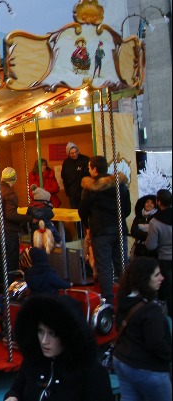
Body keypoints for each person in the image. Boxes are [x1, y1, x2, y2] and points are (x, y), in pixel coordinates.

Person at [4, 295, 113, 401]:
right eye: (41, 331)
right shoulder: (33, 361)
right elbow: (17, 388)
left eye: (53, 334)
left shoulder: (92, 373)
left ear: (68, 335)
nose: (44, 341)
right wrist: (12, 396)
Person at [111, 257, 171, 400]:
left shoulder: (124, 300)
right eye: (156, 275)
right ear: (144, 278)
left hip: (122, 362)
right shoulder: (151, 310)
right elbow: (156, 344)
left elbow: (119, 327)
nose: (162, 278)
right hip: (148, 369)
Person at [79, 156, 130, 303]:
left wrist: (88, 224)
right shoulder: (120, 185)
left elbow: (83, 210)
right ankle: (127, 296)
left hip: (100, 230)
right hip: (119, 229)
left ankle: (108, 299)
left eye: (89, 168)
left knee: (104, 266)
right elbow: (126, 210)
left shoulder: (90, 189)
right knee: (122, 264)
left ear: (94, 169)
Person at [0, 167, 31, 290]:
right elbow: (11, 215)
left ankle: (1, 289)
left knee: (0, 262)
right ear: (13, 179)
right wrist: (28, 218)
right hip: (9, 233)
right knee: (11, 263)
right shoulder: (10, 193)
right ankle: (9, 290)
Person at [145, 189, 172, 316]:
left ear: (158, 202)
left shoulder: (155, 222)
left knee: (167, 293)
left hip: (164, 261)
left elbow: (151, 246)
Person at [60, 142, 90, 208]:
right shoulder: (66, 162)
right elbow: (64, 177)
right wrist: (67, 191)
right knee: (74, 211)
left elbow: (89, 175)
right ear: (68, 153)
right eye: (72, 153)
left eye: (76, 152)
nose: (75, 154)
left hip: (84, 191)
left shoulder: (85, 159)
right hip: (72, 193)